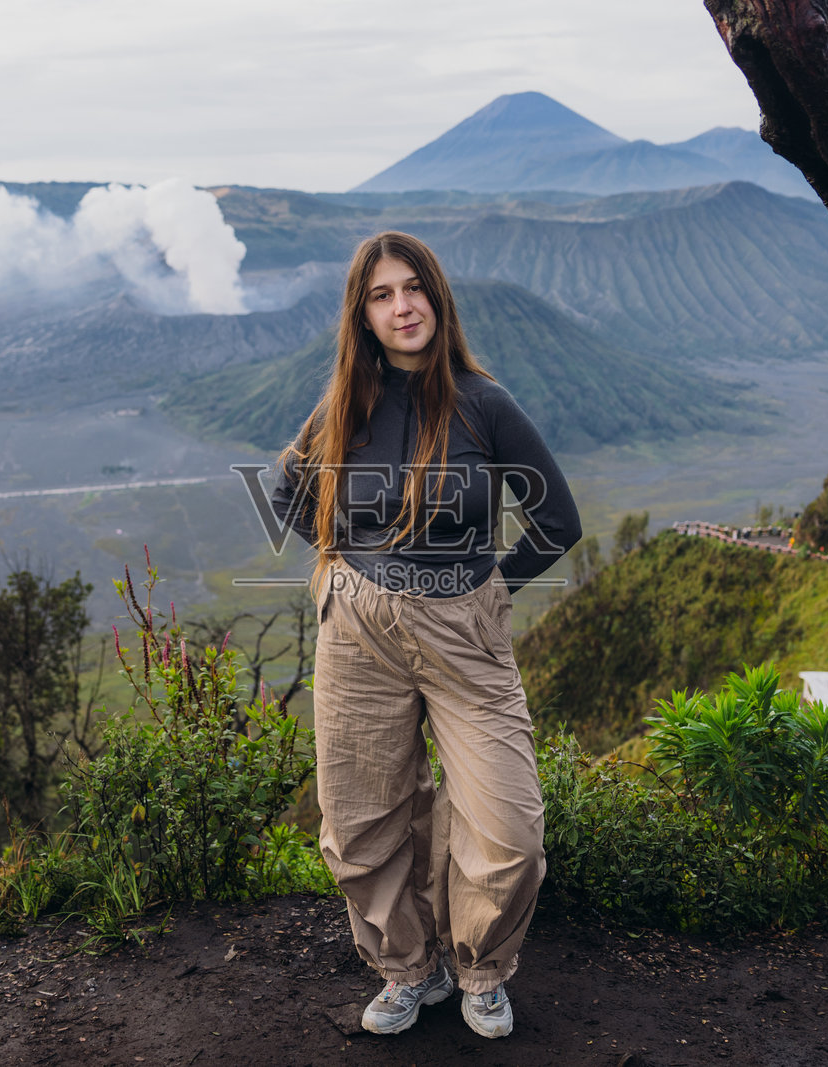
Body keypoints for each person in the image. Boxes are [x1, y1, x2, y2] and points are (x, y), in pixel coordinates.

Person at [269, 231, 582, 1040]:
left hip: (463, 624)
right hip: (357, 630)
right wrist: (346, 566)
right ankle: (412, 969)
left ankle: (480, 965)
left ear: (437, 300)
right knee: (361, 819)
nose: (401, 306)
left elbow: (557, 519)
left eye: (413, 289)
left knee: (508, 826)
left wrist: (487, 593)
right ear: (362, 315)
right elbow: (289, 492)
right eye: (381, 295)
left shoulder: (484, 402)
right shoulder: (343, 403)